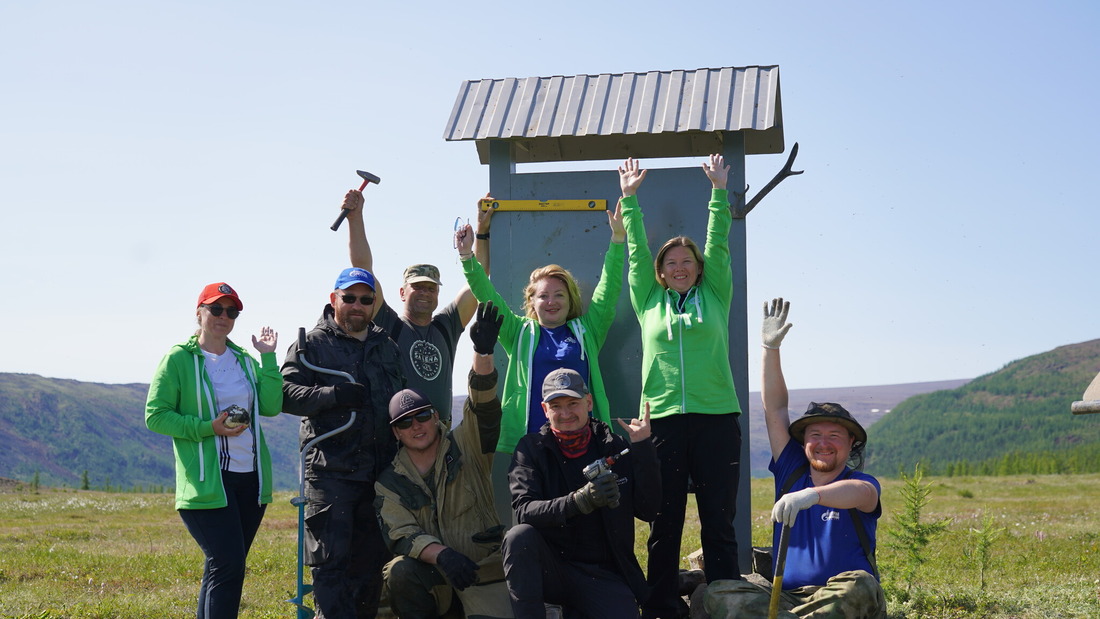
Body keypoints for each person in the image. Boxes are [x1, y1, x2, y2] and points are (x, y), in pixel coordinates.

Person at [704, 298, 885, 618]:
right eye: (815, 435)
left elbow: (860, 495)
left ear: (851, 442)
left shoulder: (860, 484)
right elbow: (774, 409)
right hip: (788, 600)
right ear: (803, 443)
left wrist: (811, 497)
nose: (823, 443)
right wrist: (769, 348)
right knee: (718, 593)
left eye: (835, 436)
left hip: (843, 597)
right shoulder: (790, 469)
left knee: (859, 584)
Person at [618, 155, 743, 618]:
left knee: (718, 521)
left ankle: (729, 604)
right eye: (671, 262)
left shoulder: (716, 294)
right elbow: (633, 251)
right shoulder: (648, 299)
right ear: (661, 270)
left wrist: (718, 191)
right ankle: (661, 608)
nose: (679, 267)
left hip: (716, 417)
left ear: (699, 267)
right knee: (663, 522)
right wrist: (629, 200)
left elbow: (719, 241)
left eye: (687, 261)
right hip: (664, 420)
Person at [145, 282, 283, 619]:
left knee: (224, 568)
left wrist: (267, 356)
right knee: (228, 564)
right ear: (199, 313)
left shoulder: (245, 361)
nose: (224, 316)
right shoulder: (178, 359)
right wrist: (209, 428)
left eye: (231, 311)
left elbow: (271, 406)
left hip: (250, 481)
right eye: (216, 309)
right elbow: (156, 416)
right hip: (208, 482)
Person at [281, 267, 406, 618]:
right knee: (331, 567)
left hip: (380, 474)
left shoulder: (386, 344)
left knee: (370, 569)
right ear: (333, 299)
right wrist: (331, 395)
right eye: (349, 298)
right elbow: (284, 394)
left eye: (366, 300)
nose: (357, 305)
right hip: (330, 472)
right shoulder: (312, 344)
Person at [375, 302, 514, 619]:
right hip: (437, 576)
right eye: (405, 423)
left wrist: (483, 353)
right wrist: (443, 555)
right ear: (396, 433)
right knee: (399, 572)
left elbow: (484, 408)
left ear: (435, 415)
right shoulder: (389, 482)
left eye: (422, 415)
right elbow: (402, 534)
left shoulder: (466, 443)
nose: (416, 426)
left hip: (484, 572)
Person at [454, 199, 626, 453]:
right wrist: (467, 256)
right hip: (531, 443)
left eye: (559, 295)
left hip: (583, 442)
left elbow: (608, 290)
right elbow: (486, 293)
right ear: (532, 302)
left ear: (571, 301)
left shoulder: (586, 331)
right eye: (544, 296)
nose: (551, 302)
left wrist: (618, 240)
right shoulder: (519, 333)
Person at [501, 368, 661, 618]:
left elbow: (648, 509)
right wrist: (579, 501)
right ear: (545, 410)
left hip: (603, 573)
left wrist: (643, 449)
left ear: (588, 402)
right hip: (551, 570)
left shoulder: (613, 446)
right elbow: (524, 511)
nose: (565, 414)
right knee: (518, 537)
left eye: (572, 403)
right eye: (556, 406)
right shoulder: (530, 449)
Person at [344, 189, 493, 424]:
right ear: (402, 293)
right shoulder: (388, 324)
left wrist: (482, 232)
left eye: (431, 288)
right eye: (418, 287)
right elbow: (363, 268)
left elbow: (480, 279)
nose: (425, 293)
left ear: (438, 294)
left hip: (441, 438)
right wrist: (355, 217)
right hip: (401, 437)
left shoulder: (448, 325)